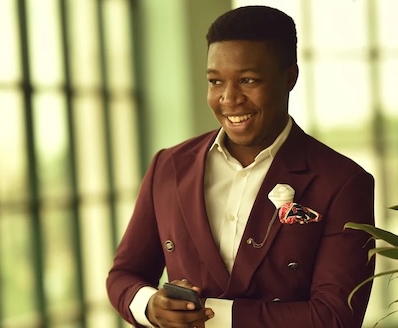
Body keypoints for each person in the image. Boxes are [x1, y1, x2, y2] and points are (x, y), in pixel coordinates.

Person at [106, 5, 375, 327]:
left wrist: (209, 316)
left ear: (289, 77)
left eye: (248, 80)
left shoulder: (342, 181)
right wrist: (150, 306)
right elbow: (124, 274)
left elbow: (336, 317)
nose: (229, 98)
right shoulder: (170, 166)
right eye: (215, 81)